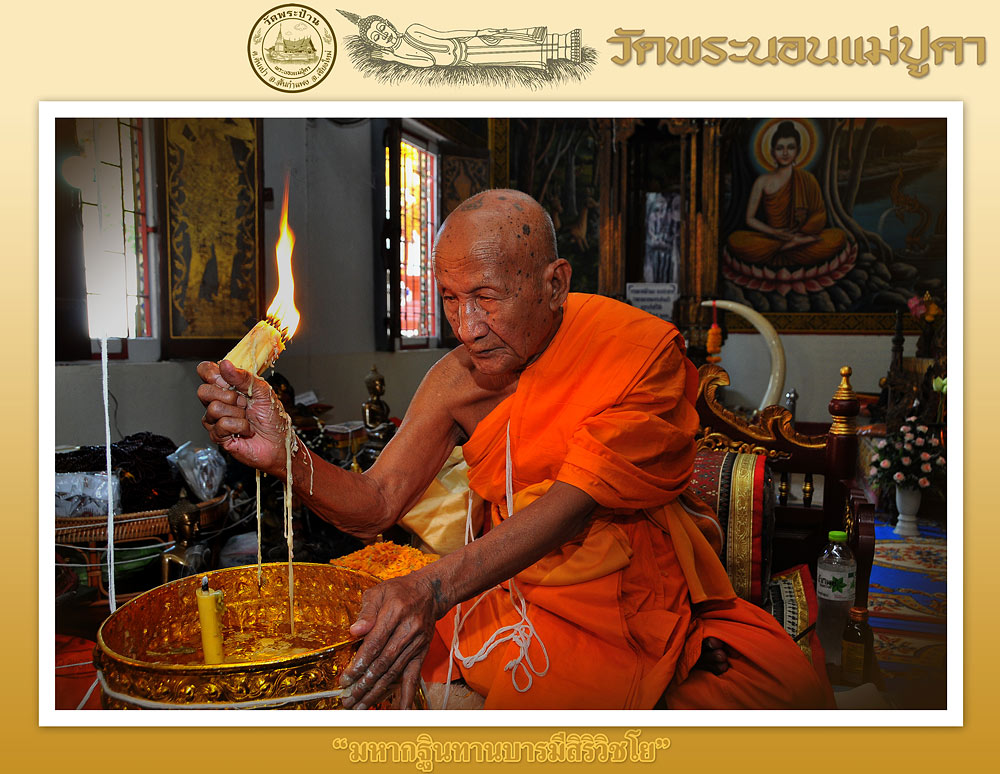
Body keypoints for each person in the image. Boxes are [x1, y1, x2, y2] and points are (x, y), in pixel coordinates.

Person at [198, 189, 830, 711]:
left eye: (486, 297)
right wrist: (284, 453)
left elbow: (571, 506)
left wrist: (433, 589)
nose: (467, 326)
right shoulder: (455, 380)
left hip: (620, 595)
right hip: (507, 586)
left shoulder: (632, 353)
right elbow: (377, 503)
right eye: (450, 298)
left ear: (555, 284)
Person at [726, 120, 847, 267]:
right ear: (772, 152)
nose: (785, 153)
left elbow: (820, 214)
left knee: (837, 237)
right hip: (773, 238)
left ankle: (785, 248)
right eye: (779, 148)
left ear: (798, 151)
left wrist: (799, 234)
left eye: (790, 147)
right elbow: (749, 219)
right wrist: (775, 233)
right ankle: (789, 247)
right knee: (736, 240)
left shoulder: (808, 179)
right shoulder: (762, 181)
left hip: (801, 236)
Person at [339, 11, 582, 70]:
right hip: (466, 60)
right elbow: (426, 61)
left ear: (389, 23)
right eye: (377, 37)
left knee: (515, 41)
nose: (385, 35)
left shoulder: (412, 31)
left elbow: (446, 35)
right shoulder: (399, 53)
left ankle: (563, 40)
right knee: (515, 55)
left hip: (467, 46)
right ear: (376, 44)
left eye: (382, 28)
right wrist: (394, 56)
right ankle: (563, 53)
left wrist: (477, 32)